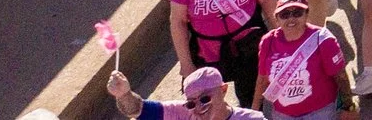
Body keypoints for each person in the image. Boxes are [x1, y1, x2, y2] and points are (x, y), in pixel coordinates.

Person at [253, 0, 354, 120]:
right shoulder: (268, 41)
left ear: (307, 14)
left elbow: (340, 76)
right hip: (283, 115)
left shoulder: (323, 39)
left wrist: (349, 107)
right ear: (277, 19)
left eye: (297, 13)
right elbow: (262, 79)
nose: (291, 19)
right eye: (284, 15)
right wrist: (254, 111)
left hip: (320, 112)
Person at [104, 65, 265, 120]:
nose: (198, 107)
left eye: (205, 99)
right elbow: (138, 110)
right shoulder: (183, 112)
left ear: (223, 90)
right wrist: (124, 94)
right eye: (191, 102)